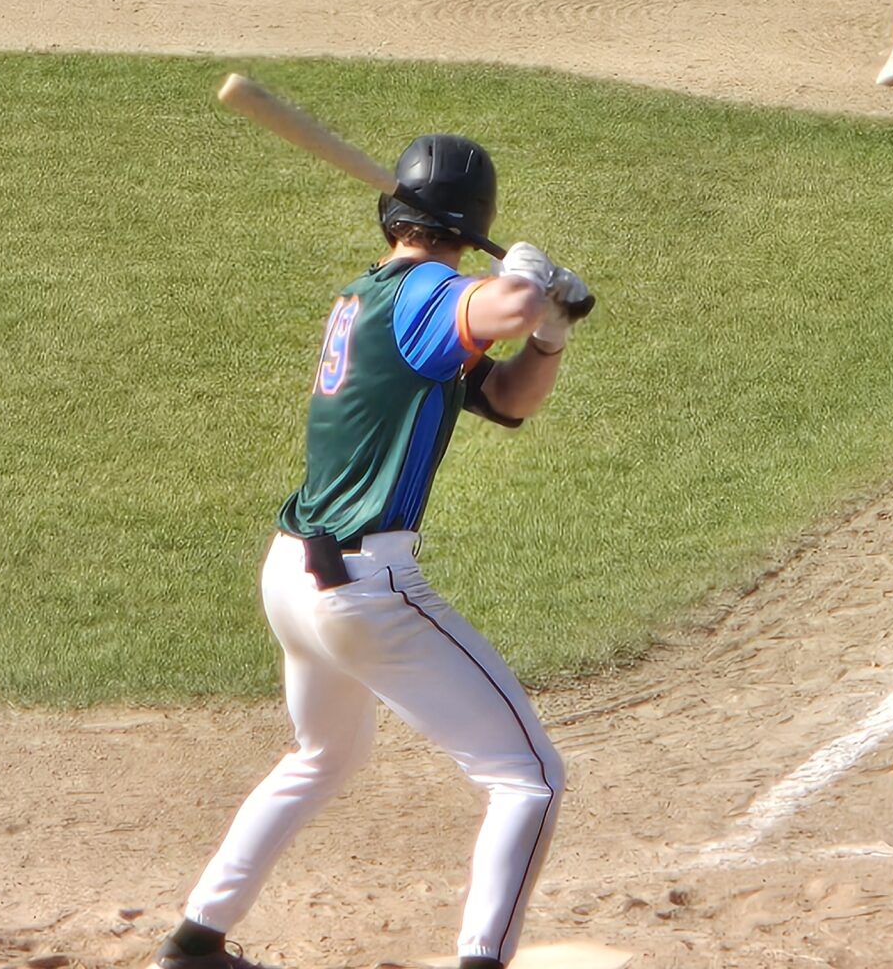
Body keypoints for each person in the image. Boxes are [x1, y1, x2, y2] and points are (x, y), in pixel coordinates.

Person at [155, 133, 590, 969]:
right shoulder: (430, 292)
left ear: (392, 212)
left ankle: (195, 940)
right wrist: (527, 286)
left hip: (296, 575)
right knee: (528, 777)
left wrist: (550, 337)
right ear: (474, 224)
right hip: (363, 588)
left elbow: (506, 402)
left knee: (326, 754)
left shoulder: (373, 298)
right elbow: (492, 309)